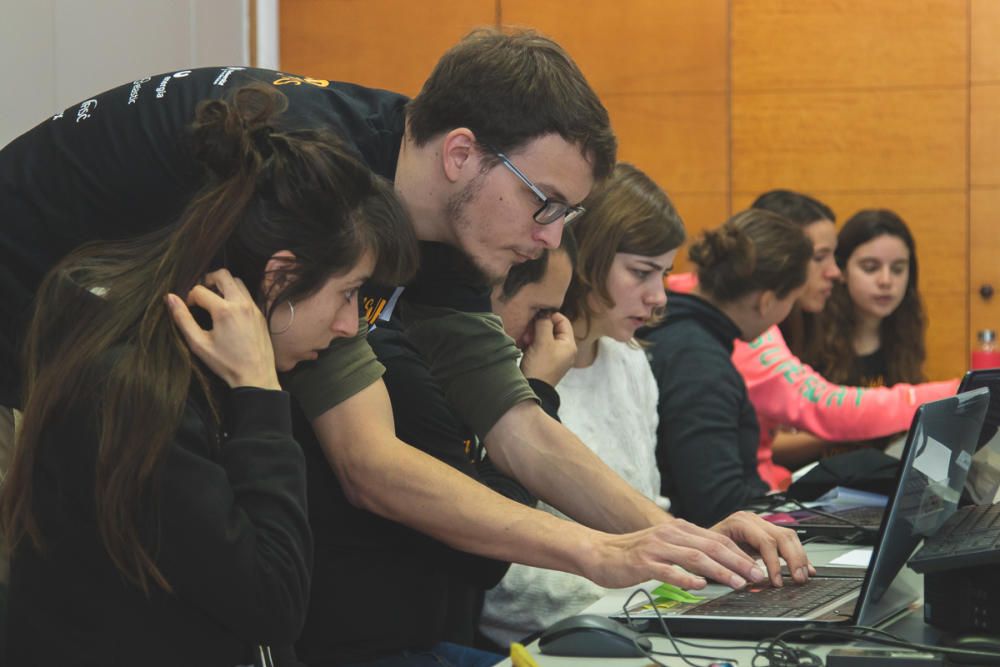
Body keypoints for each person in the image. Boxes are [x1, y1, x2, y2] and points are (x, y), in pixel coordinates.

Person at [0, 30, 807, 623]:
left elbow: (514, 419)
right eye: (546, 204)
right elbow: (369, 463)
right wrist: (593, 551)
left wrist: (679, 538)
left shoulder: (440, 210)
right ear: (463, 154)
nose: (553, 239)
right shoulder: (323, 185)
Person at [0, 85, 418, 666]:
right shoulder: (137, 388)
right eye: (348, 294)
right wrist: (261, 397)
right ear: (280, 278)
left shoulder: (178, 360)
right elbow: (273, 601)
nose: (351, 325)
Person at [480, 165, 808, 647]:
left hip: (634, 615)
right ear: (584, 260)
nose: (657, 298)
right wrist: (659, 586)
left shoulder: (631, 359)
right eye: (640, 272)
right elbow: (501, 580)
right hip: (557, 635)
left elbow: (645, 514)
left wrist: (703, 551)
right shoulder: (515, 365)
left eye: (665, 274)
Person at [667, 190, 956, 487]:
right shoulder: (742, 330)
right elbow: (827, 407)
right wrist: (954, 391)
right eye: (818, 257)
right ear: (779, 256)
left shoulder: (735, 312)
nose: (835, 273)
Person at [643, 210, 813, 527]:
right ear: (766, 302)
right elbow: (719, 505)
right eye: (793, 301)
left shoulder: (677, 331)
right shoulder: (699, 362)